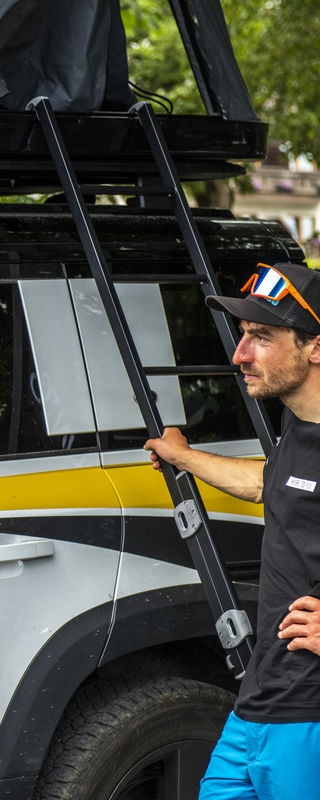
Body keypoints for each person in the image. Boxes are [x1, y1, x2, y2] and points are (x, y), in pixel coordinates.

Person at [144, 260, 320, 799]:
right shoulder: (300, 422)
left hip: (309, 707)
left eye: (262, 337)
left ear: (315, 347)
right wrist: (184, 456)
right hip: (263, 697)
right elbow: (275, 483)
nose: (240, 354)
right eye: (244, 335)